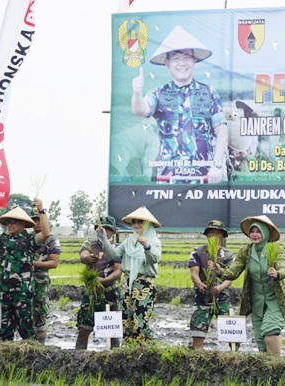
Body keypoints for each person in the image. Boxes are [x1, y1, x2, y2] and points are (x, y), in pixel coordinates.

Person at [131, 25, 229, 184]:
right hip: (168, 180)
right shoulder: (158, 93)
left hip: (204, 179)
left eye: (186, 58)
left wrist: (217, 165)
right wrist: (136, 93)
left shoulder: (209, 92)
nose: (182, 63)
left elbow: (222, 130)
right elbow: (140, 110)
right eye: (176, 58)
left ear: (194, 60)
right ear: (167, 62)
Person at [209, 215, 285, 354]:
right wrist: (218, 269)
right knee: (260, 339)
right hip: (256, 300)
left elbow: (284, 267)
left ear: (266, 232)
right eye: (252, 231)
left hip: (274, 298)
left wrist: (277, 273)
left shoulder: (275, 249)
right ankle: (267, 370)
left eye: (258, 231)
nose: (254, 235)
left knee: (270, 331)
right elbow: (233, 272)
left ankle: (275, 365)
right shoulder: (246, 251)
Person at [0, 197, 51, 341]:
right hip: (4, 293)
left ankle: (30, 357)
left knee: (27, 331)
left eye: (13, 221)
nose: (10, 224)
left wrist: (41, 210)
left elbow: (46, 234)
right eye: (8, 222)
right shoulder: (1, 239)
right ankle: (4, 359)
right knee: (4, 332)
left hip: (23, 293)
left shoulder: (30, 240)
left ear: (23, 223)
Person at [98, 206, 162, 344]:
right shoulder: (128, 242)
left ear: (148, 224)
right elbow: (114, 255)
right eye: (134, 222)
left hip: (144, 285)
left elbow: (154, 259)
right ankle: (128, 351)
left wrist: (146, 247)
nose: (137, 225)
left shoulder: (154, 242)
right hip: (127, 284)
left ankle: (144, 351)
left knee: (141, 321)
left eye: (140, 222)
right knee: (126, 320)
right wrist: (104, 240)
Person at [76, 216, 122, 349]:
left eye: (107, 229)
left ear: (113, 232)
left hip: (110, 293)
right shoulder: (89, 245)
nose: (103, 232)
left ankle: (114, 359)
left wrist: (104, 280)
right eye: (101, 229)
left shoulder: (116, 248)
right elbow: (83, 256)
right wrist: (88, 257)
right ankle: (78, 358)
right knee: (84, 329)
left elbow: (118, 270)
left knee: (113, 331)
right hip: (92, 293)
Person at [188, 220, 234, 350]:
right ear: (207, 235)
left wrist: (220, 287)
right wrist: (199, 284)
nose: (214, 236)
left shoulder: (228, 255)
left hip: (222, 297)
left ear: (222, 236)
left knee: (232, 331)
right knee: (197, 332)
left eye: (217, 233)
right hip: (202, 297)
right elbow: (194, 273)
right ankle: (197, 356)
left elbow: (230, 277)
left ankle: (233, 356)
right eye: (211, 233)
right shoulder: (197, 252)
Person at [29, 211, 61, 344]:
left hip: (40, 281)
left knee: (39, 313)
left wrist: (35, 264)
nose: (37, 223)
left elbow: (54, 263)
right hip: (24, 282)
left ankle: (40, 347)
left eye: (39, 220)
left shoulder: (51, 240)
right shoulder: (27, 237)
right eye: (34, 220)